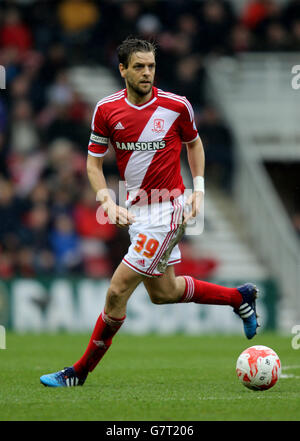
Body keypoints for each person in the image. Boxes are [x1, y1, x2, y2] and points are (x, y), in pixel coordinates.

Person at [40, 38, 259, 388]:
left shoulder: (176, 106)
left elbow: (194, 144)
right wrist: (107, 202)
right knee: (164, 293)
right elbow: (93, 163)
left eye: (151, 66)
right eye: (139, 66)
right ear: (122, 69)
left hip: (168, 211)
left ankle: (78, 373)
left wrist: (198, 190)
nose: (147, 73)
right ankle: (239, 297)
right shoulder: (106, 110)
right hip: (138, 212)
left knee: (116, 292)